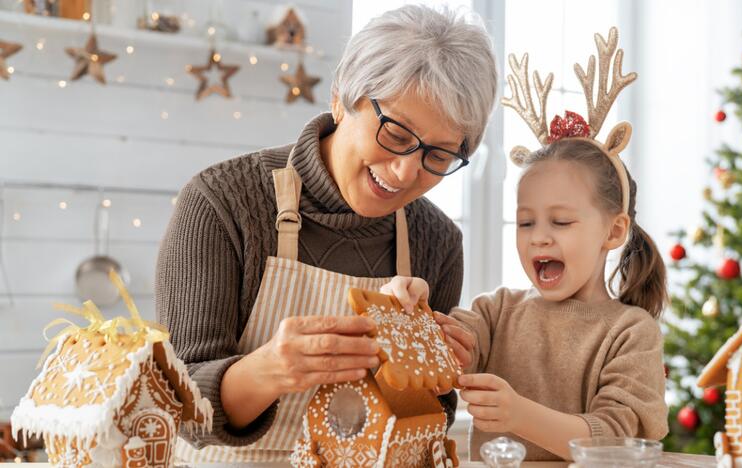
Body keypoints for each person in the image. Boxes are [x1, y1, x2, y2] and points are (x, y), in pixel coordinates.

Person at [155, 5, 497, 462]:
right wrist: (272, 369)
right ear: (341, 98)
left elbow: (429, 421)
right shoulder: (222, 204)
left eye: (438, 155)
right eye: (396, 132)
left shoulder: (436, 239)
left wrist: (433, 370)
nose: (405, 171)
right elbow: (178, 406)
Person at [381, 27, 668, 461]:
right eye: (525, 222)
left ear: (613, 231)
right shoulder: (496, 313)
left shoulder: (630, 333)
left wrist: (517, 414)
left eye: (562, 221)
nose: (540, 237)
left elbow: (614, 442)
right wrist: (418, 312)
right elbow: (450, 350)